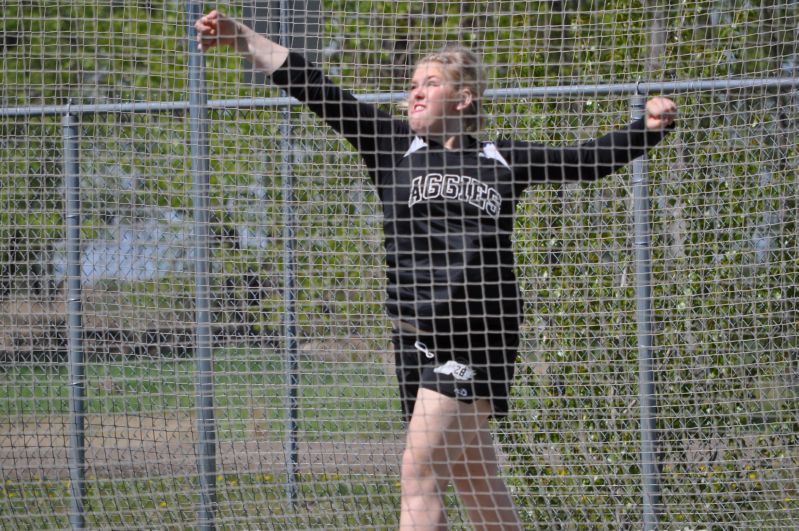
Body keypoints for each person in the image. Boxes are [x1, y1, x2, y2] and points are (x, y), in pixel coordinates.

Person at [195, 10, 677, 530]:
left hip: (475, 336)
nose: (415, 93)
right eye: (412, 85)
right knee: (475, 479)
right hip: (412, 339)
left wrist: (645, 130)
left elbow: (585, 160)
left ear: (464, 99)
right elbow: (315, 88)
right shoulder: (391, 147)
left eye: (431, 83)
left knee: (418, 476)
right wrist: (242, 39)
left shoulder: (502, 159)